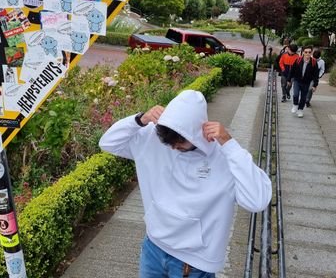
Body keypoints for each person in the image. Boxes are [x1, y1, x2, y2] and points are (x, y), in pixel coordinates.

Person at [99, 90, 272, 277]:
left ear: (195, 133)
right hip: (153, 247)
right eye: (168, 142)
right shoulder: (154, 139)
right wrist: (140, 120)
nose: (173, 147)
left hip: (194, 261)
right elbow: (108, 143)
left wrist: (230, 145)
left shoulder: (223, 157)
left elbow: (258, 200)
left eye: (179, 141)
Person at [287, 46, 319, 118]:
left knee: (303, 97)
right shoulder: (298, 60)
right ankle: (295, 105)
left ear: (311, 53)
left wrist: (315, 85)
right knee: (295, 94)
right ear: (303, 52)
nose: (307, 54)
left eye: (309, 52)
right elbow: (292, 71)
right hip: (297, 81)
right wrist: (289, 80)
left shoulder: (314, 62)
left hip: (306, 83)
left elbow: (316, 75)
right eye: (306, 52)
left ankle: (300, 110)